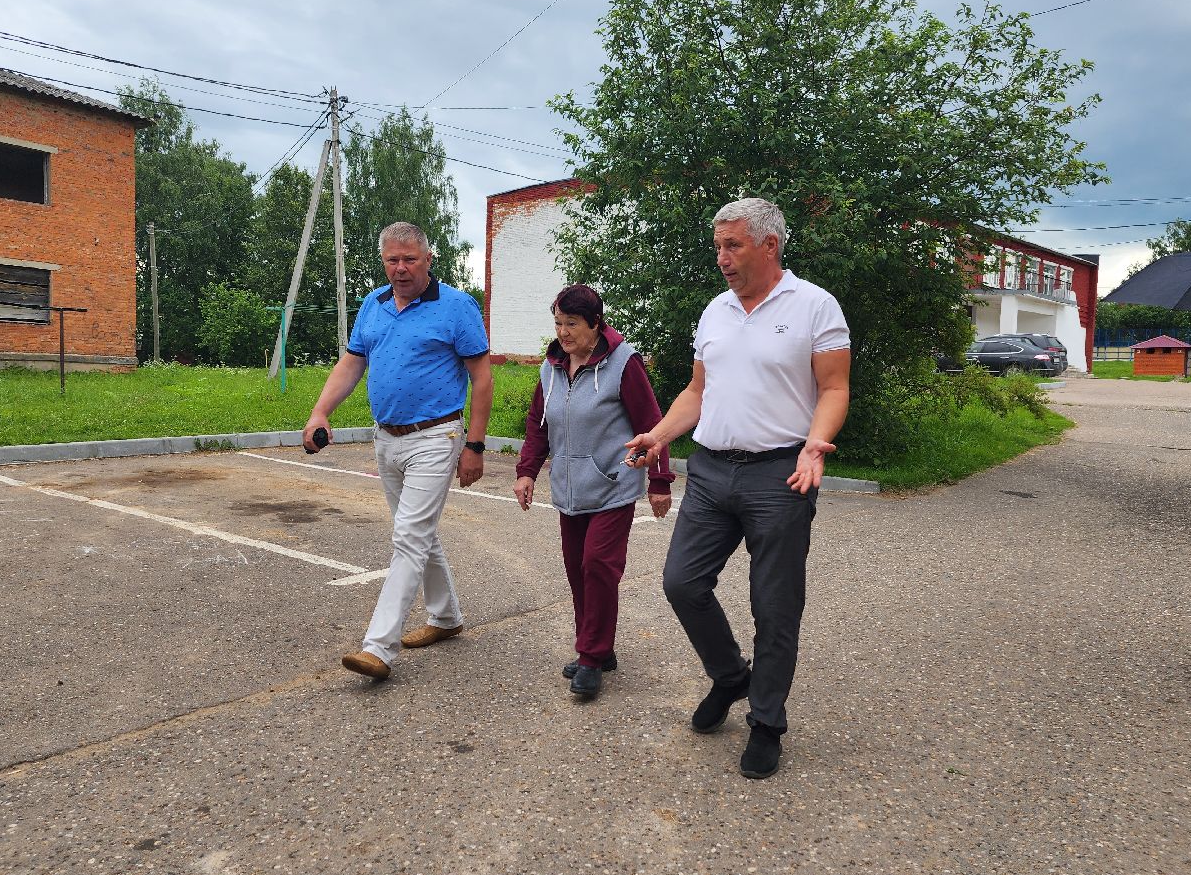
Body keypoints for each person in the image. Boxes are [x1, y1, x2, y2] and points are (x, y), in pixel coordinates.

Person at [624, 197, 851, 779]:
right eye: (718, 245)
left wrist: (814, 443)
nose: (721, 257)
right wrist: (659, 434)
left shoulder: (814, 306)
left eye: (733, 245)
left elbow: (833, 388)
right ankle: (731, 677)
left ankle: (767, 722)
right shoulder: (716, 310)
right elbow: (698, 391)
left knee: (774, 606)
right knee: (681, 583)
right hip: (710, 469)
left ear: (769, 246)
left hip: (780, 473)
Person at [301, 221, 492, 681]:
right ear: (383, 260)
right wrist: (320, 412)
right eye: (392, 259)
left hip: (437, 436)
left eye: (410, 258)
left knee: (408, 536)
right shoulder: (374, 304)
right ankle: (445, 618)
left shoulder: (457, 307)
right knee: (418, 534)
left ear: (429, 258)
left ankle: (379, 648)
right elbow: (352, 363)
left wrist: (476, 446)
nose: (401, 268)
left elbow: (482, 377)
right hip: (386, 437)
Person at [512, 285, 674, 700]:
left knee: (599, 564)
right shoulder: (551, 367)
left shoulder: (623, 363)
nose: (563, 333)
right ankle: (599, 648)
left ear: (595, 324)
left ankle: (590, 656)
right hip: (569, 490)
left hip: (613, 483)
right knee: (577, 570)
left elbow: (653, 425)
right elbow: (538, 424)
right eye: (558, 323)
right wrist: (526, 471)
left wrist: (659, 481)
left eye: (572, 324)